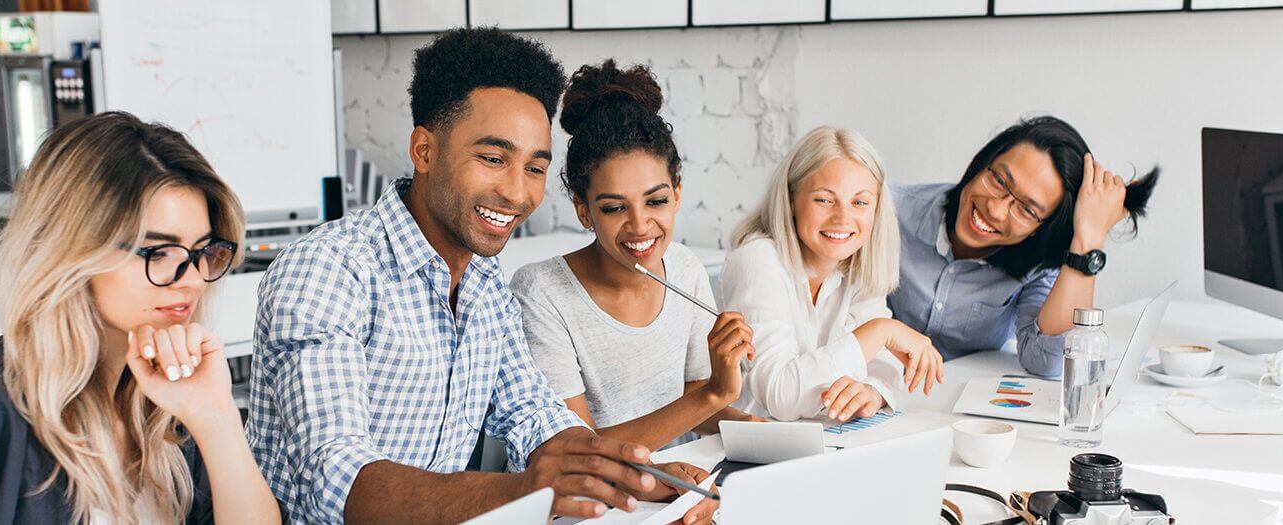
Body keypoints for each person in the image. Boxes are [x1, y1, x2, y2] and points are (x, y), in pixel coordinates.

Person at [245, 29, 710, 524]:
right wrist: (525, 490)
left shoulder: (484, 280)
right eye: (493, 159)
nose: (516, 193)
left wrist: (627, 475)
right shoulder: (327, 270)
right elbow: (334, 475)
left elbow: (535, 416)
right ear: (424, 150)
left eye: (534, 168)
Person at [0, 111, 281, 524]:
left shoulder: (164, 399)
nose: (191, 280)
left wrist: (216, 417)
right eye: (158, 251)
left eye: (201, 252)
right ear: (72, 251)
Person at [512, 60, 760, 453]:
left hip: (666, 484)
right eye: (614, 208)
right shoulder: (541, 291)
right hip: (581, 502)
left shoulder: (684, 269)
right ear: (583, 210)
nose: (640, 225)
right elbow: (576, 450)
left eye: (656, 200)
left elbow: (692, 399)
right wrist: (715, 394)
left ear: (677, 193)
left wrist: (755, 428)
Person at [889, 116, 1159, 377]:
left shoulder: (1038, 264)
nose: (995, 209)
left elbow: (1048, 361)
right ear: (983, 163)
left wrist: (1087, 241)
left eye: (1027, 210)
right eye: (999, 181)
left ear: (1042, 228)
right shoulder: (887, 211)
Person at [720, 126, 945, 423]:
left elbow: (882, 364)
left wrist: (871, 391)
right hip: (745, 447)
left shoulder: (856, 261)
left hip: (822, 439)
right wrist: (880, 331)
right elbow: (781, 396)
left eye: (860, 202)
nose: (843, 218)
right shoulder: (757, 259)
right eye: (824, 200)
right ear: (791, 200)